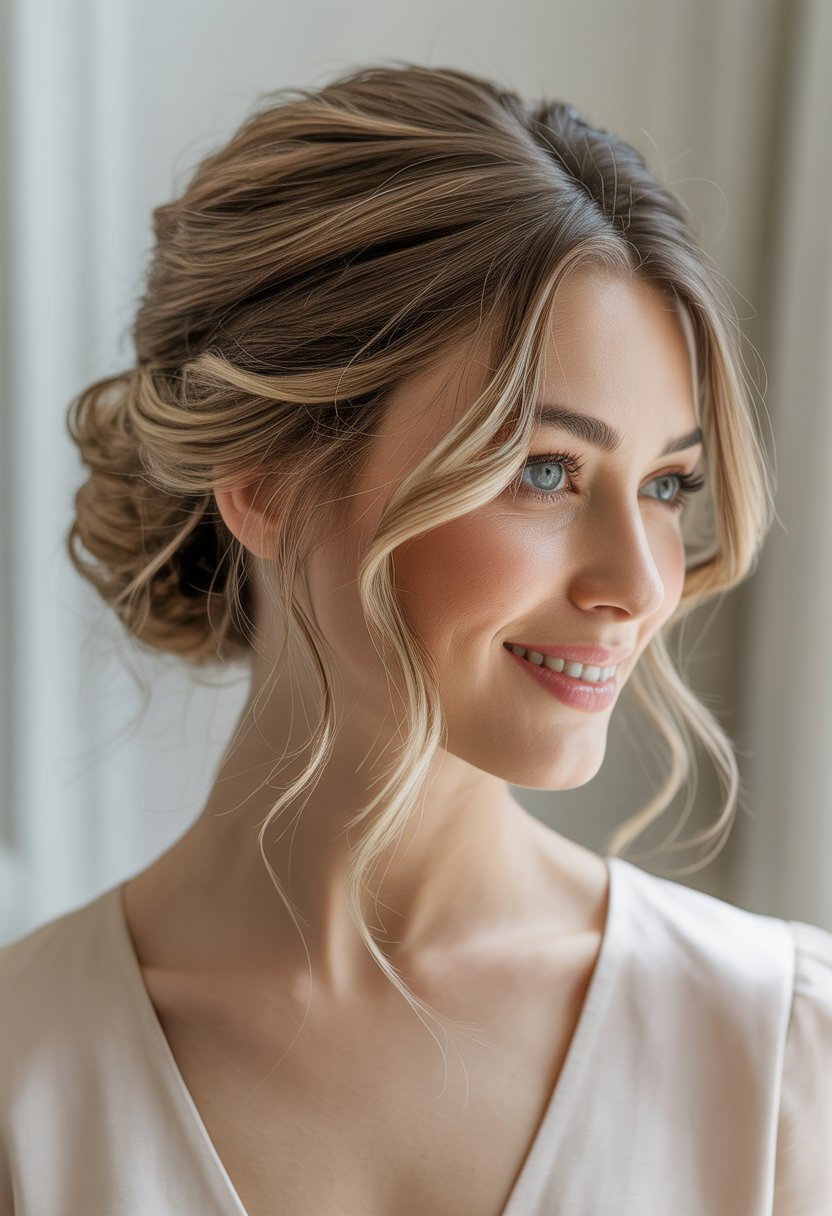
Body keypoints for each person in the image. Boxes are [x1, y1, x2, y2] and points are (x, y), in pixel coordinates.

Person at [0, 61, 829, 1216]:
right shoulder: (22, 1081)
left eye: (667, 484)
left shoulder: (786, 1057)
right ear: (266, 480)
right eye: (544, 470)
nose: (641, 584)